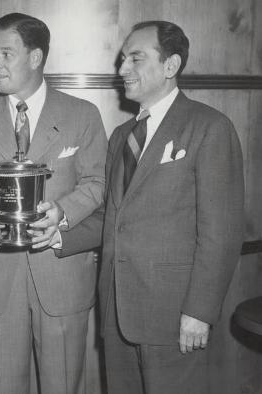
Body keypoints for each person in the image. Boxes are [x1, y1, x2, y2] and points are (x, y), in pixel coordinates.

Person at [58, 20, 245, 394]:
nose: (122, 69)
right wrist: (55, 235)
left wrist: (199, 312)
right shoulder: (121, 137)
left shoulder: (210, 127)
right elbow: (113, 219)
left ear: (171, 66)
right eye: (122, 59)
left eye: (135, 59)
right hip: (117, 313)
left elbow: (220, 232)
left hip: (175, 315)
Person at [0, 13, 107, 394]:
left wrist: (64, 212)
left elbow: (98, 181)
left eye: (6, 53)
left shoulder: (82, 114)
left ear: (36, 58)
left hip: (62, 278)